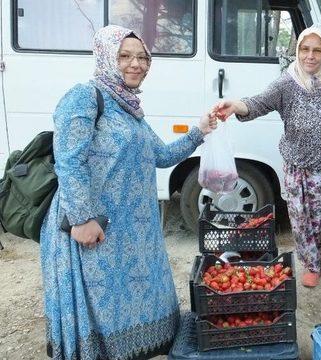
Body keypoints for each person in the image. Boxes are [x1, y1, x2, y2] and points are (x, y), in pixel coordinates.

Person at [40, 25, 217, 359]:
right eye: (124, 56)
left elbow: (162, 156)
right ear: (106, 57)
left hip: (131, 232)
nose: (136, 64)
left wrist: (200, 130)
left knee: (131, 299)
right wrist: (81, 219)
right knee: (99, 307)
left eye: (142, 57)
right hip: (93, 228)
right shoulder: (84, 97)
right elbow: (69, 160)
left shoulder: (130, 109)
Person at [211, 26, 321, 298]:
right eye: (305, 49)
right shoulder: (287, 83)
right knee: (303, 221)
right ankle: (312, 266)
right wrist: (235, 105)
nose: (310, 56)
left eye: (317, 50)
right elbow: (258, 103)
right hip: (299, 169)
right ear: (297, 51)